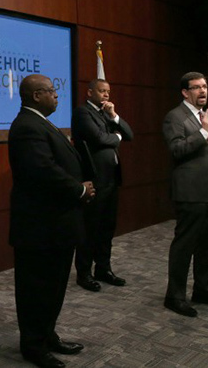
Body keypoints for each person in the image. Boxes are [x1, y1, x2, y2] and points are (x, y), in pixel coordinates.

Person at [8, 74, 95, 368]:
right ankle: (33, 347)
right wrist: (79, 189)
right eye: (52, 91)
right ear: (36, 96)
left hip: (56, 226)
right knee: (36, 289)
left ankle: (47, 336)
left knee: (54, 287)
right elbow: (42, 171)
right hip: (39, 229)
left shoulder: (40, 123)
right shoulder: (26, 127)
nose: (57, 96)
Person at [162, 72, 208, 318]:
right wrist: (203, 132)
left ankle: (202, 288)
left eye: (205, 86)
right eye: (196, 88)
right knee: (185, 245)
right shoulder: (175, 117)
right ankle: (175, 296)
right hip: (190, 192)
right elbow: (177, 150)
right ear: (185, 92)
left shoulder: (207, 117)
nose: (203, 91)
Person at [71, 78, 133, 292]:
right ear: (89, 93)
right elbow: (98, 139)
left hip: (111, 179)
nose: (106, 95)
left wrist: (114, 116)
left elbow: (130, 134)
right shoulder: (82, 113)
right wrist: (116, 136)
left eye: (108, 91)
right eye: (101, 91)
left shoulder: (106, 114)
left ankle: (103, 268)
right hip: (94, 179)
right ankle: (84, 273)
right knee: (90, 228)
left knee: (107, 227)